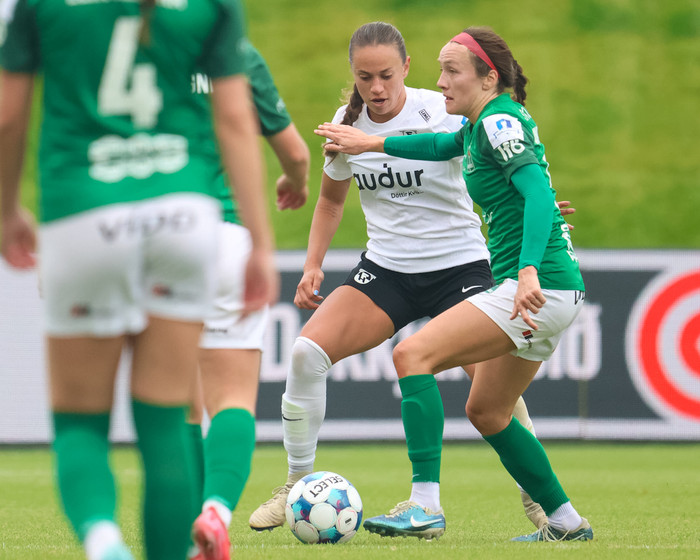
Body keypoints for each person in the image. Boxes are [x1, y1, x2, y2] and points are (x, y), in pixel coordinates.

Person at [249, 21, 572, 538]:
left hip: (461, 266)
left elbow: (506, 166)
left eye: (386, 75)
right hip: (387, 270)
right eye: (364, 77)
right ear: (353, 75)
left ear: (406, 68)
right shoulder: (346, 125)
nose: (376, 88)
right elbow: (330, 202)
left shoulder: (446, 106)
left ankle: (537, 499)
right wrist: (313, 264)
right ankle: (294, 484)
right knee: (307, 353)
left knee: (492, 392)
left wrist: (540, 214)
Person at [0, 1, 278, 559]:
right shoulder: (212, 5)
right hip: (183, 216)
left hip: (82, 211)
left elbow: (8, 117)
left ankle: (105, 543)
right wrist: (261, 242)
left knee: (79, 425)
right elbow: (234, 120)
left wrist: (6, 209)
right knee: (165, 421)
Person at [186, 42, 309, 560]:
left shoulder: (128, 38)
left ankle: (183, 524)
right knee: (232, 396)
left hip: (152, 232)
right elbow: (296, 153)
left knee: (177, 400)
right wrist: (295, 181)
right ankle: (214, 512)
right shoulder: (235, 51)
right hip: (225, 236)